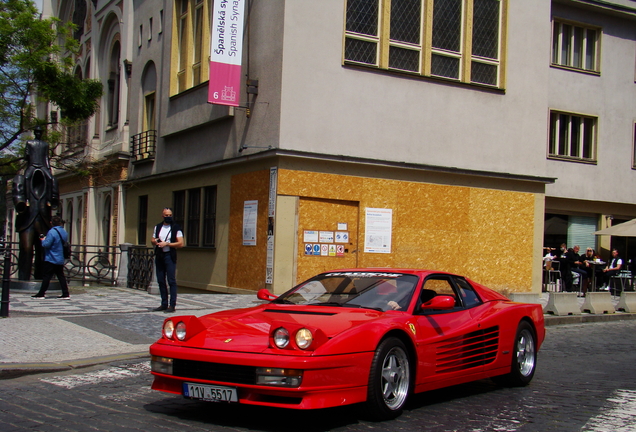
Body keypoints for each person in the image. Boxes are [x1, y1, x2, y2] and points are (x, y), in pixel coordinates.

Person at [151, 208, 184, 312]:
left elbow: (181, 243)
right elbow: (152, 239)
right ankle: (163, 303)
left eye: (170, 215)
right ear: (162, 216)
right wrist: (155, 242)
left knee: (171, 280)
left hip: (170, 255)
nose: (168, 217)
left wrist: (167, 244)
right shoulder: (158, 227)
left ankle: (172, 305)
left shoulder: (176, 227)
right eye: (166, 215)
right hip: (160, 255)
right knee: (160, 280)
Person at [31, 215, 70, 299]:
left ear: (51, 223)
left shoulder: (52, 232)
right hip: (60, 257)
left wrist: (42, 239)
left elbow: (46, 244)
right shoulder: (64, 231)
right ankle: (65, 293)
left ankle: (41, 293)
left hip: (51, 258)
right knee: (61, 276)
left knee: (46, 276)